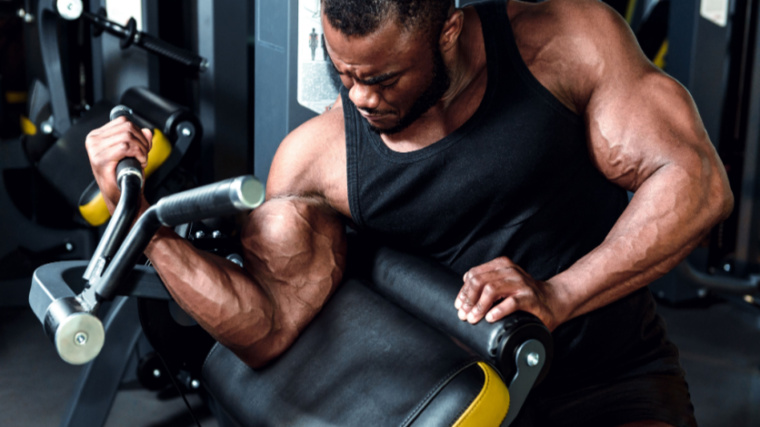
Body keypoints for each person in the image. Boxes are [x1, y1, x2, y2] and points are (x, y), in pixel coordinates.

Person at [84, 0, 733, 425]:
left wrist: (557, 295)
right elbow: (267, 325)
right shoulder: (319, 158)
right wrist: (142, 221)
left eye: (385, 78)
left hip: (611, 381)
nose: (362, 97)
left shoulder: (563, 44)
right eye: (345, 74)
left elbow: (696, 181)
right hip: (459, 404)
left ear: (449, 27)